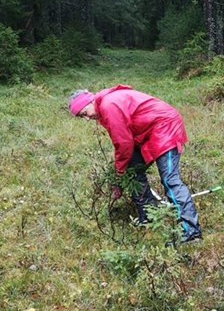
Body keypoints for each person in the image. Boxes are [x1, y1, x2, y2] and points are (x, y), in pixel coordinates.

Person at [69, 86, 202, 243]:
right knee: (132, 173)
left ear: (91, 101)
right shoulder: (104, 106)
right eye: (81, 117)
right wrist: (122, 175)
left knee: (170, 180)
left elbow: (123, 145)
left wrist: (118, 177)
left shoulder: (108, 105)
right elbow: (126, 142)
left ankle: (191, 233)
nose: (86, 118)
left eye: (85, 113)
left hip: (166, 128)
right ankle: (149, 218)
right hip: (148, 132)